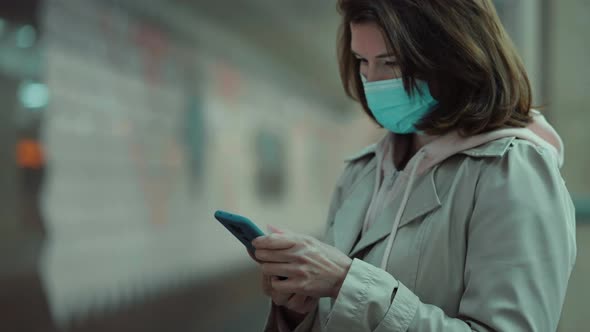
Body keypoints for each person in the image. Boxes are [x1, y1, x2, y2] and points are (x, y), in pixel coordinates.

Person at [251, 0, 577, 331]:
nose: (372, 81)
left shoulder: (511, 172)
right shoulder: (362, 171)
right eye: (363, 61)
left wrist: (347, 284)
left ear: (455, 56)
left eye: (389, 63)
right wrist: (299, 310)